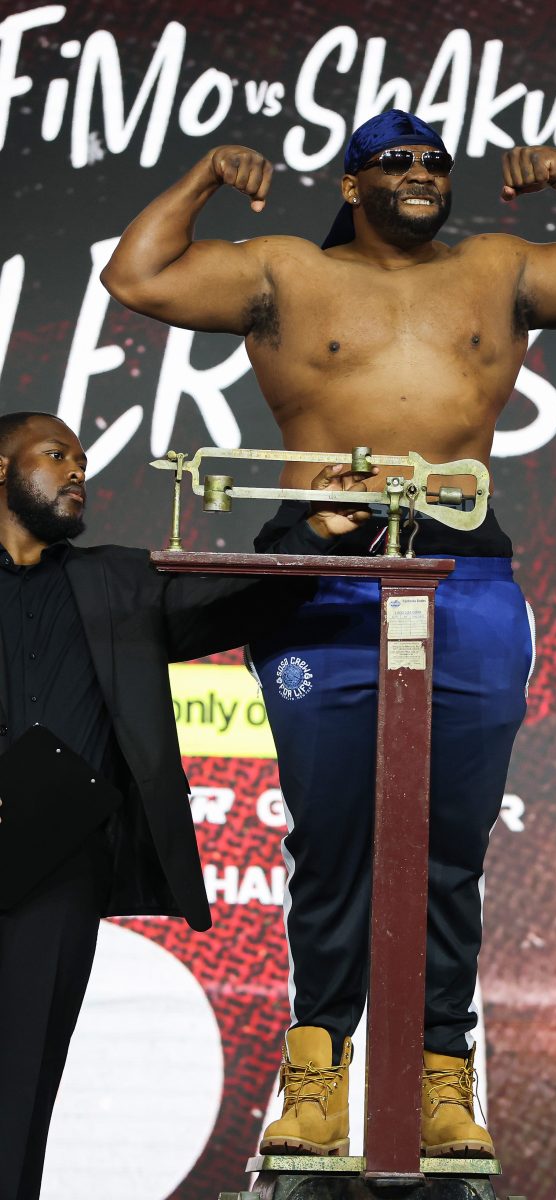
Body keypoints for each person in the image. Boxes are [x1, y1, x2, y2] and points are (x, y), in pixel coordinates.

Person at [101, 109, 556, 1158]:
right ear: (351, 184)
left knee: (451, 842)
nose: (420, 173)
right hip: (319, 577)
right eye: (394, 161)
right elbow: (136, 277)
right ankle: (317, 1076)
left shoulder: (497, 267)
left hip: (464, 578)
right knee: (331, 839)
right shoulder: (284, 270)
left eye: (435, 163)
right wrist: (206, 174)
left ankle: (445, 1078)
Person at [0, 410, 367, 1200]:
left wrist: (316, 532)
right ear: (1, 468)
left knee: (19, 1093)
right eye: (57, 454)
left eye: (83, 460)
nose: (77, 471)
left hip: (57, 873)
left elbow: (238, 596)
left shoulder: (116, 580)